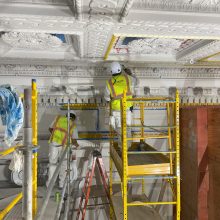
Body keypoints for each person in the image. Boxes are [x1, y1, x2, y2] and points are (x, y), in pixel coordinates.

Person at [104, 61, 137, 147]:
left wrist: (110, 101)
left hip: (117, 109)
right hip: (127, 108)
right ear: (120, 70)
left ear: (111, 71)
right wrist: (127, 70)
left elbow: (107, 98)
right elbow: (135, 79)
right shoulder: (127, 78)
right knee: (127, 128)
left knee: (119, 129)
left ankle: (122, 147)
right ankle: (127, 148)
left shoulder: (109, 83)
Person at [46, 110, 79, 188]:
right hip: (64, 146)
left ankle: (50, 184)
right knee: (64, 164)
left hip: (54, 144)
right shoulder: (73, 125)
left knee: (52, 164)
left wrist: (57, 136)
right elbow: (74, 140)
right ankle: (61, 184)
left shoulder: (58, 118)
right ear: (73, 118)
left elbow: (50, 129)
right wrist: (78, 146)